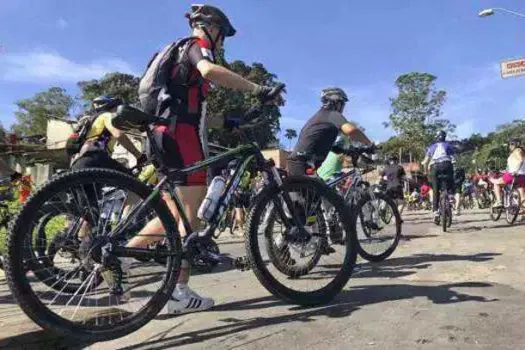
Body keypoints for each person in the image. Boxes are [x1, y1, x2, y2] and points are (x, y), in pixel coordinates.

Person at [122, 4, 283, 315]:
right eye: (223, 37)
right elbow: (210, 71)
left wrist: (232, 123)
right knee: (190, 220)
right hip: (182, 138)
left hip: (161, 135)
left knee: (174, 214)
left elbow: (195, 113)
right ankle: (177, 292)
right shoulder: (197, 46)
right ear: (213, 28)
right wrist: (257, 89)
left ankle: (122, 255)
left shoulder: (173, 57)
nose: (223, 43)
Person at [288, 87, 372, 177]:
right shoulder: (332, 114)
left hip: (299, 164)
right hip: (302, 164)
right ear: (335, 102)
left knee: (323, 190)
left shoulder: (321, 117)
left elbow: (331, 147)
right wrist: (369, 144)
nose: (343, 107)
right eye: (342, 103)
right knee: (326, 191)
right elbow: (351, 131)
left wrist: (348, 151)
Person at [70, 96, 144, 172]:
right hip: (95, 159)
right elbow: (118, 135)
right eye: (116, 108)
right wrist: (139, 156)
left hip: (79, 164)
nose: (117, 112)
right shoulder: (106, 115)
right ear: (110, 106)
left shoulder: (92, 122)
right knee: (129, 179)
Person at [421, 130, 455, 221]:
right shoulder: (448, 145)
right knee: (451, 179)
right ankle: (451, 196)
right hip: (447, 165)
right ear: (445, 137)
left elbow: (425, 162)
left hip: (435, 168)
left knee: (435, 190)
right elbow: (454, 159)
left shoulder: (432, 147)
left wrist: (425, 172)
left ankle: (435, 211)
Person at [490, 138, 525, 210]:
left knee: (496, 183)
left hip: (513, 175)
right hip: (522, 176)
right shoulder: (521, 151)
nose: (509, 146)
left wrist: (516, 170)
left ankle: (499, 201)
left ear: (514, 145)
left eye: (510, 144)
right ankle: (523, 211)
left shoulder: (517, 150)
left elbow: (521, 161)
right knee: (522, 197)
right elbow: (512, 165)